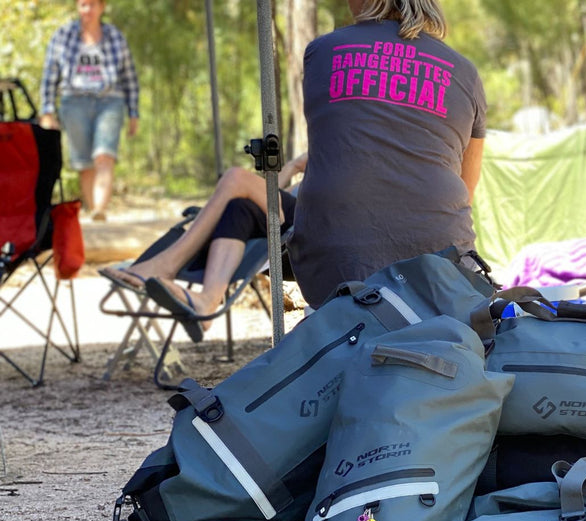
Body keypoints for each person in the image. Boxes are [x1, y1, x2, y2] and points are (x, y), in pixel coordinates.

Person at [290, 0, 487, 309]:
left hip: (334, 264)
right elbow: (467, 187)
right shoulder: (465, 72)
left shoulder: (323, 52)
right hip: (441, 268)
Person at [99, 153, 307, 341]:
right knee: (238, 209)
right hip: (290, 218)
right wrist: (293, 167)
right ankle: (207, 301)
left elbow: (279, 203)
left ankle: (166, 265)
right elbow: (274, 197)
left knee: (235, 177)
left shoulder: (333, 149)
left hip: (311, 229)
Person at [40, 0, 140, 222]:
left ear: (102, 7)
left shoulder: (114, 37)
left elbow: (129, 76)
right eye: (84, 4)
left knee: (104, 155)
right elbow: (50, 74)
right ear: (77, 7)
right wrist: (47, 111)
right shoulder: (63, 36)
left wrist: (134, 112)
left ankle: (99, 210)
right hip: (73, 102)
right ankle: (95, 210)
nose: (88, 10)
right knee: (84, 162)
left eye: (93, 4)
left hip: (109, 100)